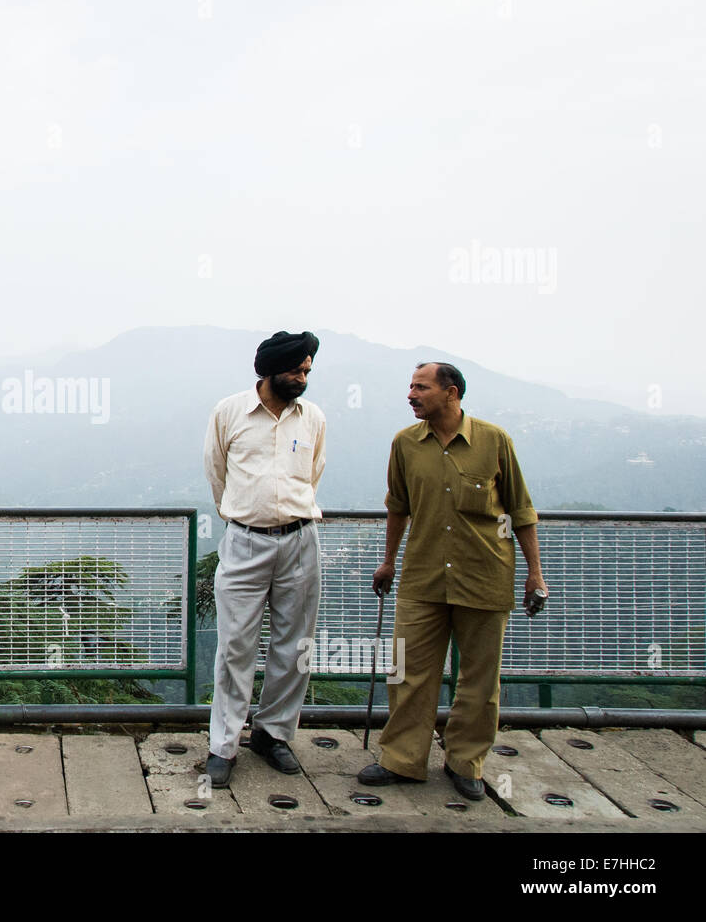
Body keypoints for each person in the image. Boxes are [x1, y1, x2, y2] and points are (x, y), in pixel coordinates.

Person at [358, 361, 548, 800]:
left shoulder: (494, 441)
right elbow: (397, 505)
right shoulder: (405, 444)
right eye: (409, 386)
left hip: (485, 576)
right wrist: (388, 562)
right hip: (422, 576)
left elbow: (520, 509)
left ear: (451, 392)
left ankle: (466, 763)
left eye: (420, 387)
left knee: (480, 680)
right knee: (408, 672)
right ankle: (402, 760)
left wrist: (535, 573)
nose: (410, 394)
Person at [202, 331, 326, 788]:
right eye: (296, 369)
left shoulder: (312, 417)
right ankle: (224, 745)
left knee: (295, 646)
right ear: (269, 368)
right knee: (236, 645)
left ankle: (273, 734)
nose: (303, 377)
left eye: (308, 370)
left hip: (300, 539)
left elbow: (314, 474)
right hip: (244, 540)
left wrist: (285, 517)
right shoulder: (229, 412)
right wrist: (246, 517)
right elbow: (217, 475)